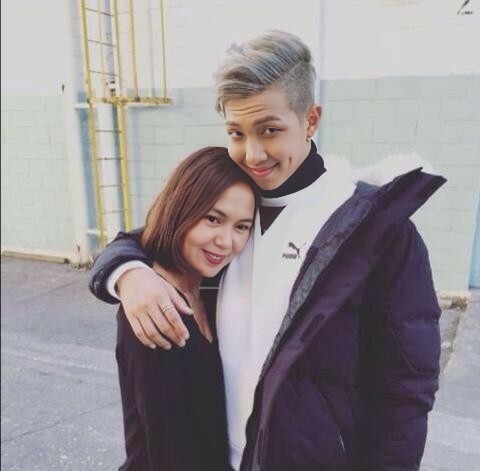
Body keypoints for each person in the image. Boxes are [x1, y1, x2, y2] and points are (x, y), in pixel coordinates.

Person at [90, 31, 445, 471]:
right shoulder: (236, 206)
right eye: (236, 133)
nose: (253, 153)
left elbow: (405, 388)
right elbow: (152, 237)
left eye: (270, 130)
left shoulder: (374, 230)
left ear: (311, 120)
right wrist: (128, 274)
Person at [112, 146, 258, 471]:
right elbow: (168, 449)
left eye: (242, 226)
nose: (226, 241)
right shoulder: (154, 307)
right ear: (181, 210)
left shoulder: (211, 286)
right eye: (213, 219)